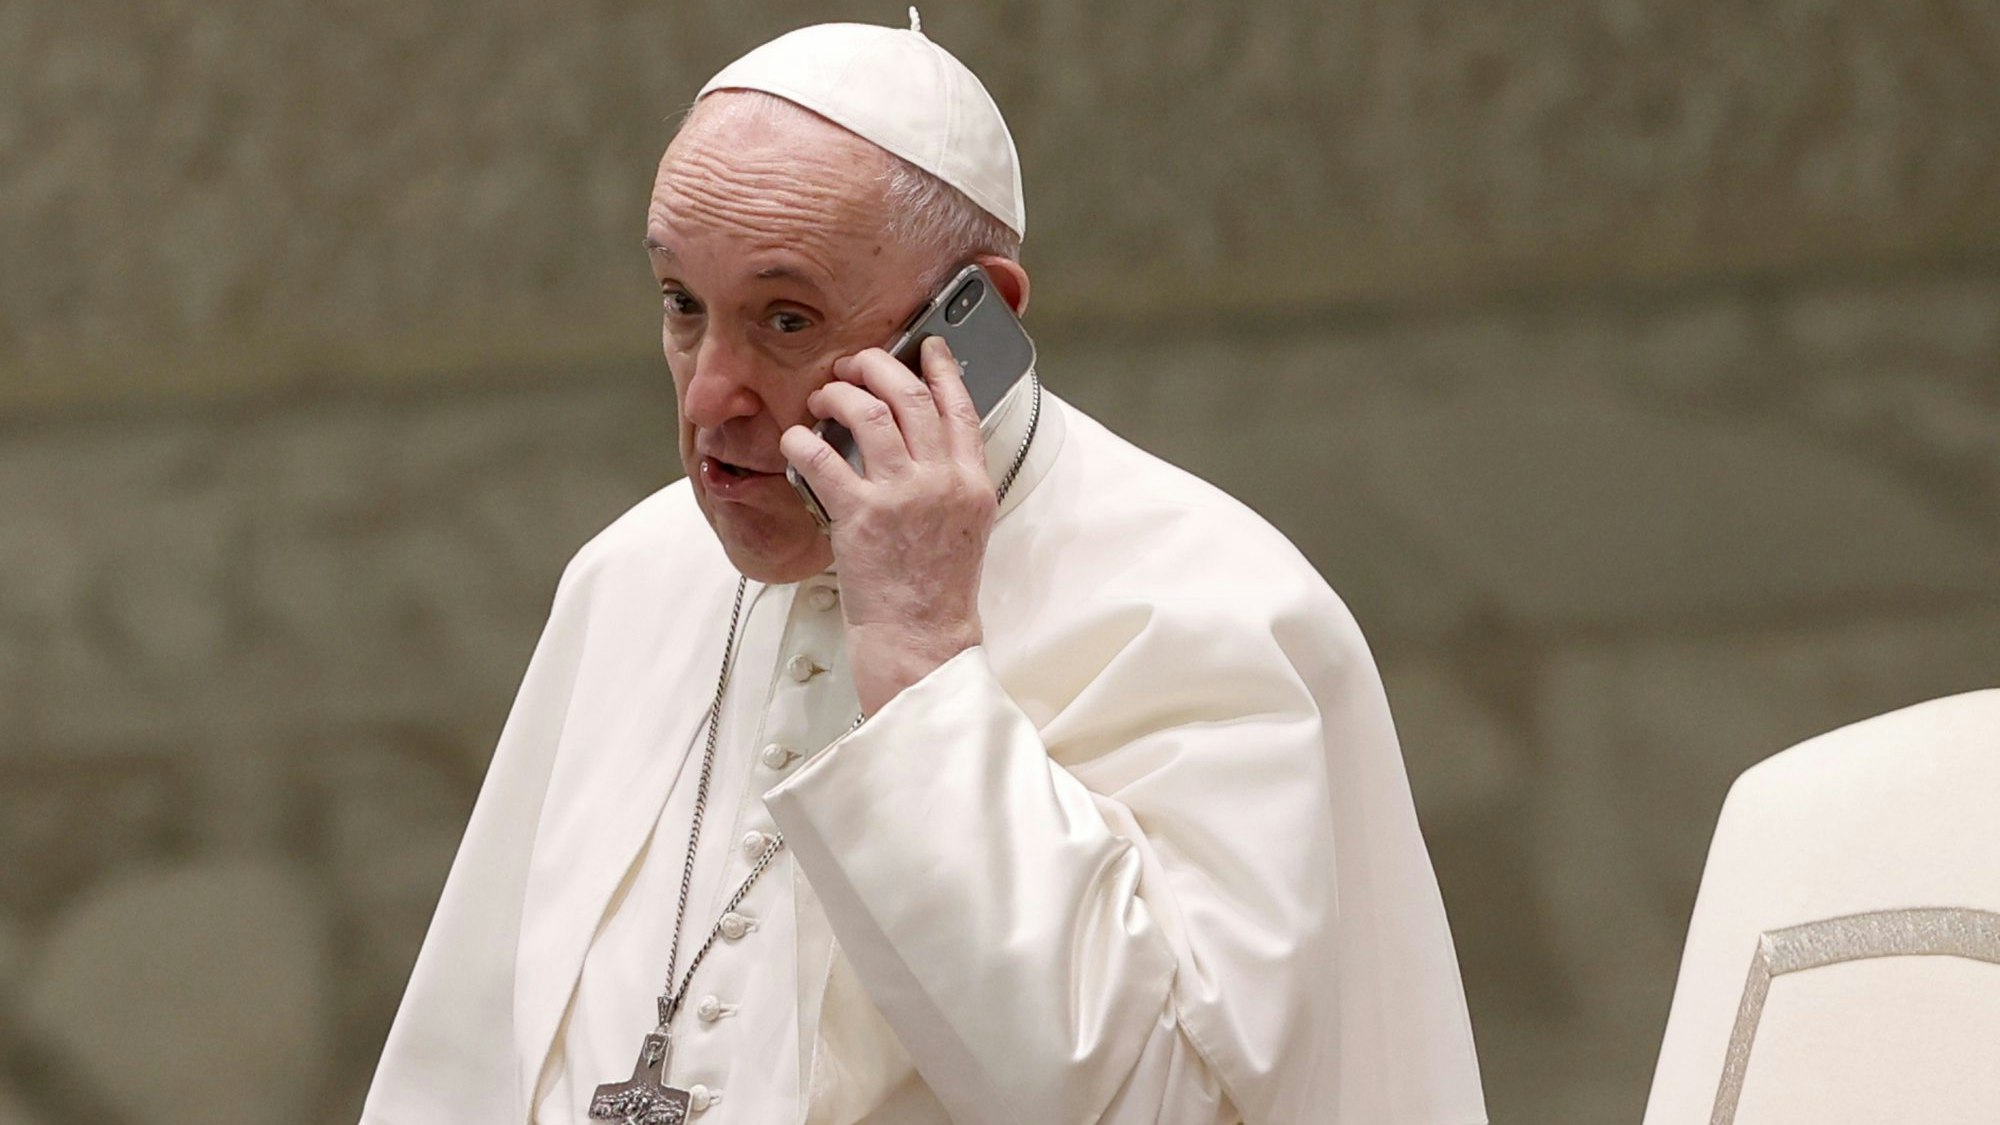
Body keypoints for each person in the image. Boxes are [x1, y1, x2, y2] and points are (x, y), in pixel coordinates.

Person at [362, 17, 1485, 1125]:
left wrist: (922, 661)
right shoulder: (629, 576)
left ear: (976, 311)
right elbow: (460, 1069)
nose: (711, 394)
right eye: (681, 307)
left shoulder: (1211, 606)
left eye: (785, 318)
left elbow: (1164, 1101)